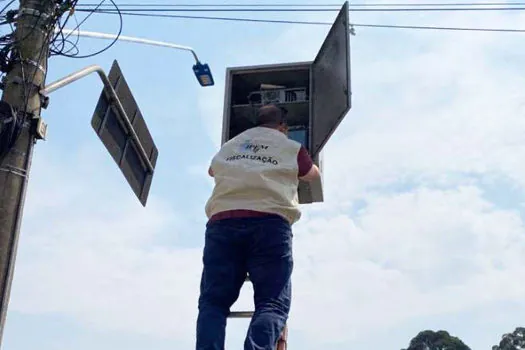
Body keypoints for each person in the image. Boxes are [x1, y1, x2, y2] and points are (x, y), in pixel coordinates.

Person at [196, 103, 321, 350]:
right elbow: (312, 175)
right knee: (271, 302)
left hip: (223, 222)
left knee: (213, 302)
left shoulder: (231, 145)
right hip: (269, 223)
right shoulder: (290, 146)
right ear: (283, 127)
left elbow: (212, 171)